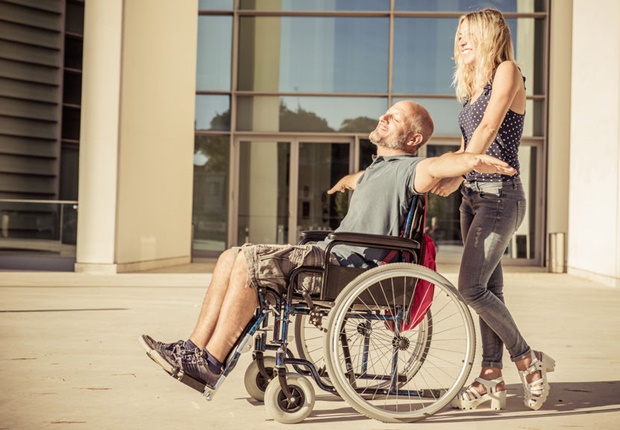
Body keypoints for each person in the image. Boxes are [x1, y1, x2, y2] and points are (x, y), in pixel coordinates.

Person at [140, 100, 517, 393]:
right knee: (229, 256)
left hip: (347, 269)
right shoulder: (376, 170)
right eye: (386, 113)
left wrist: (474, 160)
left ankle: (210, 361)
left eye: (395, 117)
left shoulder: (410, 168)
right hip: (334, 260)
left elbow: (441, 165)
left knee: (248, 262)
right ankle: (193, 348)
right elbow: (360, 179)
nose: (384, 118)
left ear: (414, 139)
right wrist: (345, 180)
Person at [430, 8, 555, 411]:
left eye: (468, 33)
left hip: (500, 196)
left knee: (470, 288)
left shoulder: (508, 70)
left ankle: (527, 359)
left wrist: (457, 167)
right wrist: (455, 176)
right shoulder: (473, 84)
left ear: (489, 34)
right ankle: (491, 374)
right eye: (458, 35)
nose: (460, 40)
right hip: (474, 197)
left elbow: (486, 129)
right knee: (489, 290)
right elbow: (472, 139)